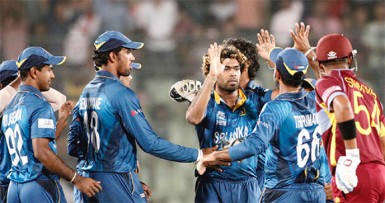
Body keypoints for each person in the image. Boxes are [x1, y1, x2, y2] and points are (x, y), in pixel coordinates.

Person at [69, 30, 208, 203]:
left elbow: (72, 147)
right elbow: (150, 143)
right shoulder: (121, 94)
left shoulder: (85, 93)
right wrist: (198, 155)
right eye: (127, 52)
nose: (132, 57)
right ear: (112, 56)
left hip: (86, 180)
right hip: (115, 179)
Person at [197, 48, 327, 202]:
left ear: (277, 74)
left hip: (284, 192)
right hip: (316, 192)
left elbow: (254, 145)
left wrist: (213, 156)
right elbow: (323, 80)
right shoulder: (315, 99)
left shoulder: (276, 108)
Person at [1, 47, 102, 203]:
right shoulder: (39, 105)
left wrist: (60, 124)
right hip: (36, 184)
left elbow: (32, 147)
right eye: (49, 70)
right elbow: (41, 152)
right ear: (34, 72)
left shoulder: (10, 109)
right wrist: (77, 179)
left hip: (15, 187)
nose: (53, 75)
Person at [186, 43, 261, 202]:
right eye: (226, 69)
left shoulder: (253, 99)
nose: (233, 73)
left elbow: (286, 93)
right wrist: (211, 77)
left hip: (248, 185)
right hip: (213, 184)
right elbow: (193, 118)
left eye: (236, 68)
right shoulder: (206, 101)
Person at [314, 33, 385, 202]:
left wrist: (351, 158)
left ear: (321, 66)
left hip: (355, 173)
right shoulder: (370, 92)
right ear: (350, 59)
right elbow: (382, 140)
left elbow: (343, 105)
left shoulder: (326, 82)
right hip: (379, 174)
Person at [0, 59, 72, 203]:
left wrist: (27, 83)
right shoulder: (11, 109)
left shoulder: (20, 109)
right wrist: (23, 82)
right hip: (11, 182)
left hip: (18, 182)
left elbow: (39, 149)